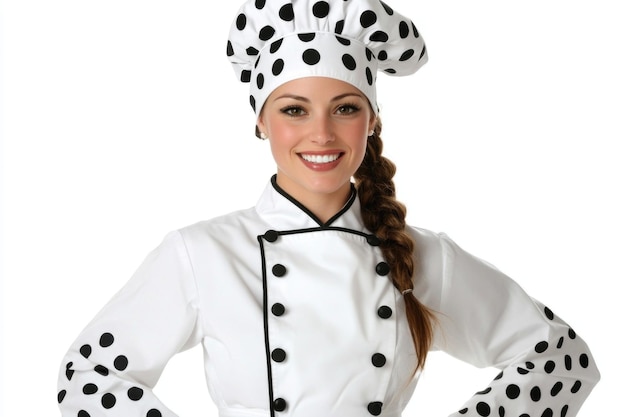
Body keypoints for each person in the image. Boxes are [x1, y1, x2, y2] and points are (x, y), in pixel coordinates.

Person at [56, 1, 600, 416]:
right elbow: (88, 375)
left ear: (372, 121)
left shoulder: (419, 254)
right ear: (261, 122)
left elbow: (561, 360)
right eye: (295, 109)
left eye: (344, 108)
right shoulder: (202, 254)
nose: (321, 133)